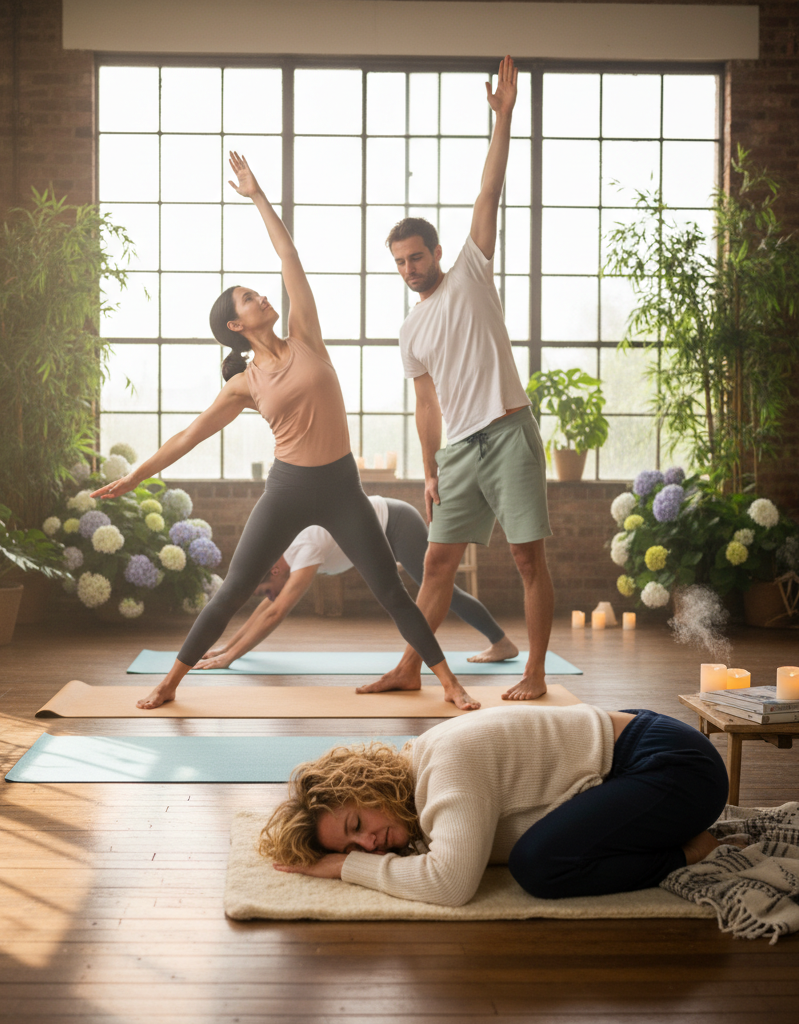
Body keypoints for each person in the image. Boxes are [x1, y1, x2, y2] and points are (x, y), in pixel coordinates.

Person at [93, 152, 481, 712]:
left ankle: (449, 684)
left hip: (342, 488)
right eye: (249, 299)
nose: (261, 297)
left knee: (392, 590)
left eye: (257, 292)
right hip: (289, 489)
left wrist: (256, 196)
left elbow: (289, 254)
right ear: (236, 326)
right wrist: (133, 477)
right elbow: (188, 437)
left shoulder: (306, 336)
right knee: (231, 591)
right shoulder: (244, 385)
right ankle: (170, 682)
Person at [367, 55, 554, 703]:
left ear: (437, 252)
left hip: (508, 433)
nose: (410, 268)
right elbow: (425, 401)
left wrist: (502, 119)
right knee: (435, 563)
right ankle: (408, 667)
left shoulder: (472, 269)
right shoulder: (410, 331)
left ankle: (533, 672)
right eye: (399, 262)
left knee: (527, 560)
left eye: (416, 256)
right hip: (458, 452)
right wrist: (429, 469)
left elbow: (489, 192)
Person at [261, 706, 730, 905]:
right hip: (639, 760)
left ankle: (688, 853)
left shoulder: (445, 766)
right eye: (355, 847)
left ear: (367, 786)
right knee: (542, 845)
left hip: (675, 768)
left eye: (357, 823)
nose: (368, 844)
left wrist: (345, 868)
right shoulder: (417, 787)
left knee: (538, 866)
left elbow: (451, 884)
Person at [196, 495, 517, 671]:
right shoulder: (284, 563)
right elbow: (268, 608)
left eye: (266, 589)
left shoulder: (303, 549)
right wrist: (227, 647)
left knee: (442, 589)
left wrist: (230, 659)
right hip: (380, 528)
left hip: (396, 523)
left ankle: (501, 643)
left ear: (275, 573)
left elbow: (276, 613)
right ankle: (499, 641)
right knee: (436, 590)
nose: (269, 596)